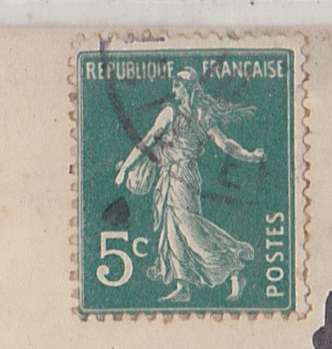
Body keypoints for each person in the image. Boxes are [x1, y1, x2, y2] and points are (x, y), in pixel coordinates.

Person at [114, 68, 266, 303]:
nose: (174, 90)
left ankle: (234, 268)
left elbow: (224, 144)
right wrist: (126, 167)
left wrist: (248, 156)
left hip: (183, 175)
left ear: (188, 88)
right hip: (169, 175)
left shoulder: (185, 114)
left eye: (177, 86)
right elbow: (149, 141)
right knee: (172, 229)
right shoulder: (175, 113)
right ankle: (182, 285)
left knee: (188, 227)